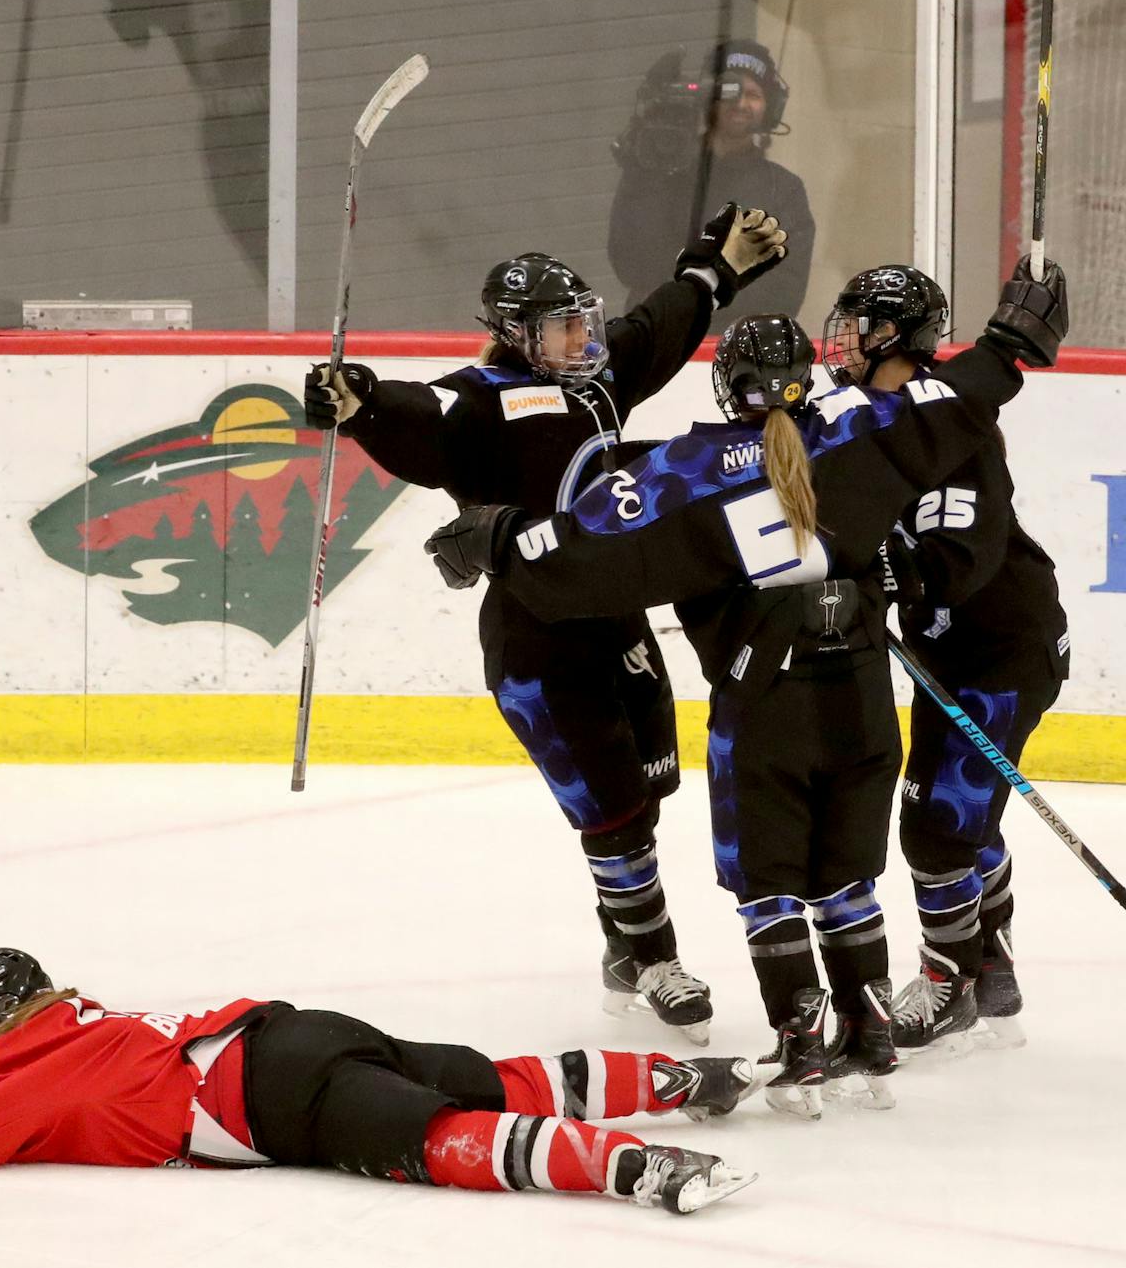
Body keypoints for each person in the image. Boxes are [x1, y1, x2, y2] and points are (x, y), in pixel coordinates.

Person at [422, 260, 1068, 1115]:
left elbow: (589, 553)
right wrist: (1009, 346)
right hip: (860, 706)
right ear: (804, 378)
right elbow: (946, 406)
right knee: (852, 876)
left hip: (765, 709)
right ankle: (871, 1037)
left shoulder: (688, 469)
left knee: (775, 881)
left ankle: (804, 1047)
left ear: (729, 390)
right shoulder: (855, 426)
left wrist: (501, 538)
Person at [302, 206, 788, 1042]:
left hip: (617, 617)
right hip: (535, 635)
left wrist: (717, 270)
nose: (583, 339)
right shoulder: (474, 401)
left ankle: (623, 946)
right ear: (519, 335)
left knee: (648, 789)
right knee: (611, 809)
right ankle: (654, 955)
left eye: (582, 323)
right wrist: (357, 402)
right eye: (564, 328)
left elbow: (655, 327)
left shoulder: (596, 382)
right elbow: (416, 414)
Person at [0, 947, 765, 1215]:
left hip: (265, 1100)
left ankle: (641, 1167)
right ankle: (685, 1076)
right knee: (497, 1078)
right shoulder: (68, 1025)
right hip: (291, 1032)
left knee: (439, 1139)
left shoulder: (1, 1083)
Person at [821, 263, 1071, 1052]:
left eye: (861, 321)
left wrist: (890, 573)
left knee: (934, 830)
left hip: (1001, 649)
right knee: (963, 813)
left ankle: (949, 978)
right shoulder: (879, 411)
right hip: (955, 646)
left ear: (892, 335)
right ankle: (989, 961)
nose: (847, 336)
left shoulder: (954, 429)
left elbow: (963, 551)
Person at [608, 41, 815, 332]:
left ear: (771, 106)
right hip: (658, 341)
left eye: (754, 94)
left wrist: (694, 295)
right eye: (729, 91)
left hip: (741, 349)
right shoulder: (661, 171)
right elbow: (631, 263)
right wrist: (646, 170)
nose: (741, 103)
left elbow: (783, 293)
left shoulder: (783, 190)